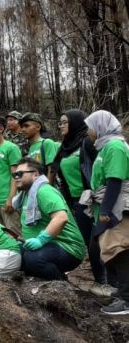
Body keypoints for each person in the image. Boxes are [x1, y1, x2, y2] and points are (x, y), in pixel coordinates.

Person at [52, 110, 108, 295]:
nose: (60, 126)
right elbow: (55, 170)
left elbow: (101, 168)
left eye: (64, 122)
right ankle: (102, 280)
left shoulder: (87, 143)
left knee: (98, 242)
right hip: (76, 202)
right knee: (88, 242)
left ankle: (106, 283)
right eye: (59, 123)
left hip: (94, 200)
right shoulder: (64, 147)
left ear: (76, 123)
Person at [84, 110, 129, 314]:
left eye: (91, 126)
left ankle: (127, 300)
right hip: (107, 204)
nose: (89, 131)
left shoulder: (115, 147)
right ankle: (122, 291)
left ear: (101, 127)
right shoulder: (104, 147)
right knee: (106, 249)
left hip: (117, 205)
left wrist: (105, 209)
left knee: (118, 250)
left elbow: (115, 180)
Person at [13, 158, 86, 280]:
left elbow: (61, 218)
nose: (16, 177)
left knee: (33, 259)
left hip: (68, 247)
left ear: (35, 174)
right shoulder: (26, 194)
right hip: (49, 246)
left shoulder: (44, 191)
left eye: (20, 174)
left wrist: (41, 240)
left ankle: (60, 285)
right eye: (14, 174)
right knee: (14, 253)